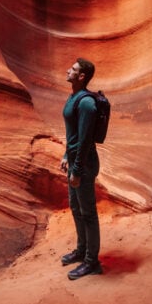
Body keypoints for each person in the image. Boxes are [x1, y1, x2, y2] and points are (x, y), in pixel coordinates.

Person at [59, 58, 102, 280]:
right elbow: (73, 134)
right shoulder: (73, 97)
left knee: (88, 213)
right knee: (76, 208)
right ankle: (82, 250)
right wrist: (66, 155)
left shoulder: (86, 103)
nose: (68, 70)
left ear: (82, 76)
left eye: (73, 69)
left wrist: (76, 170)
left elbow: (85, 141)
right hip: (75, 160)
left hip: (84, 163)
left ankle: (92, 262)